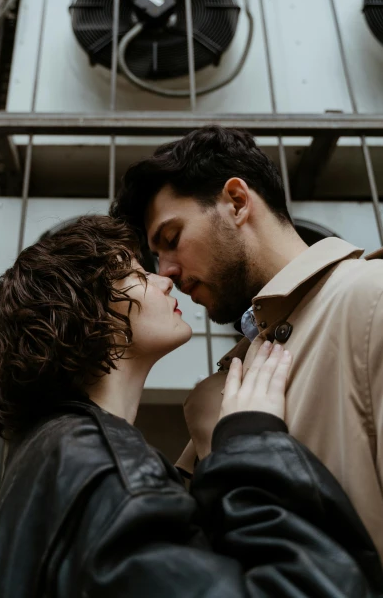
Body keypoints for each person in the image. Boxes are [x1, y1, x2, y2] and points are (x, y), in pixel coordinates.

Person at [0, 215, 383, 598]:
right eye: (135, 274)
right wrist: (252, 440)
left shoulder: (52, 456)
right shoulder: (100, 465)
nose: (164, 280)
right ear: (91, 312)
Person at [111, 125, 383, 559]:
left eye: (171, 239)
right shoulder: (225, 384)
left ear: (236, 202)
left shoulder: (370, 298)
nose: (166, 273)